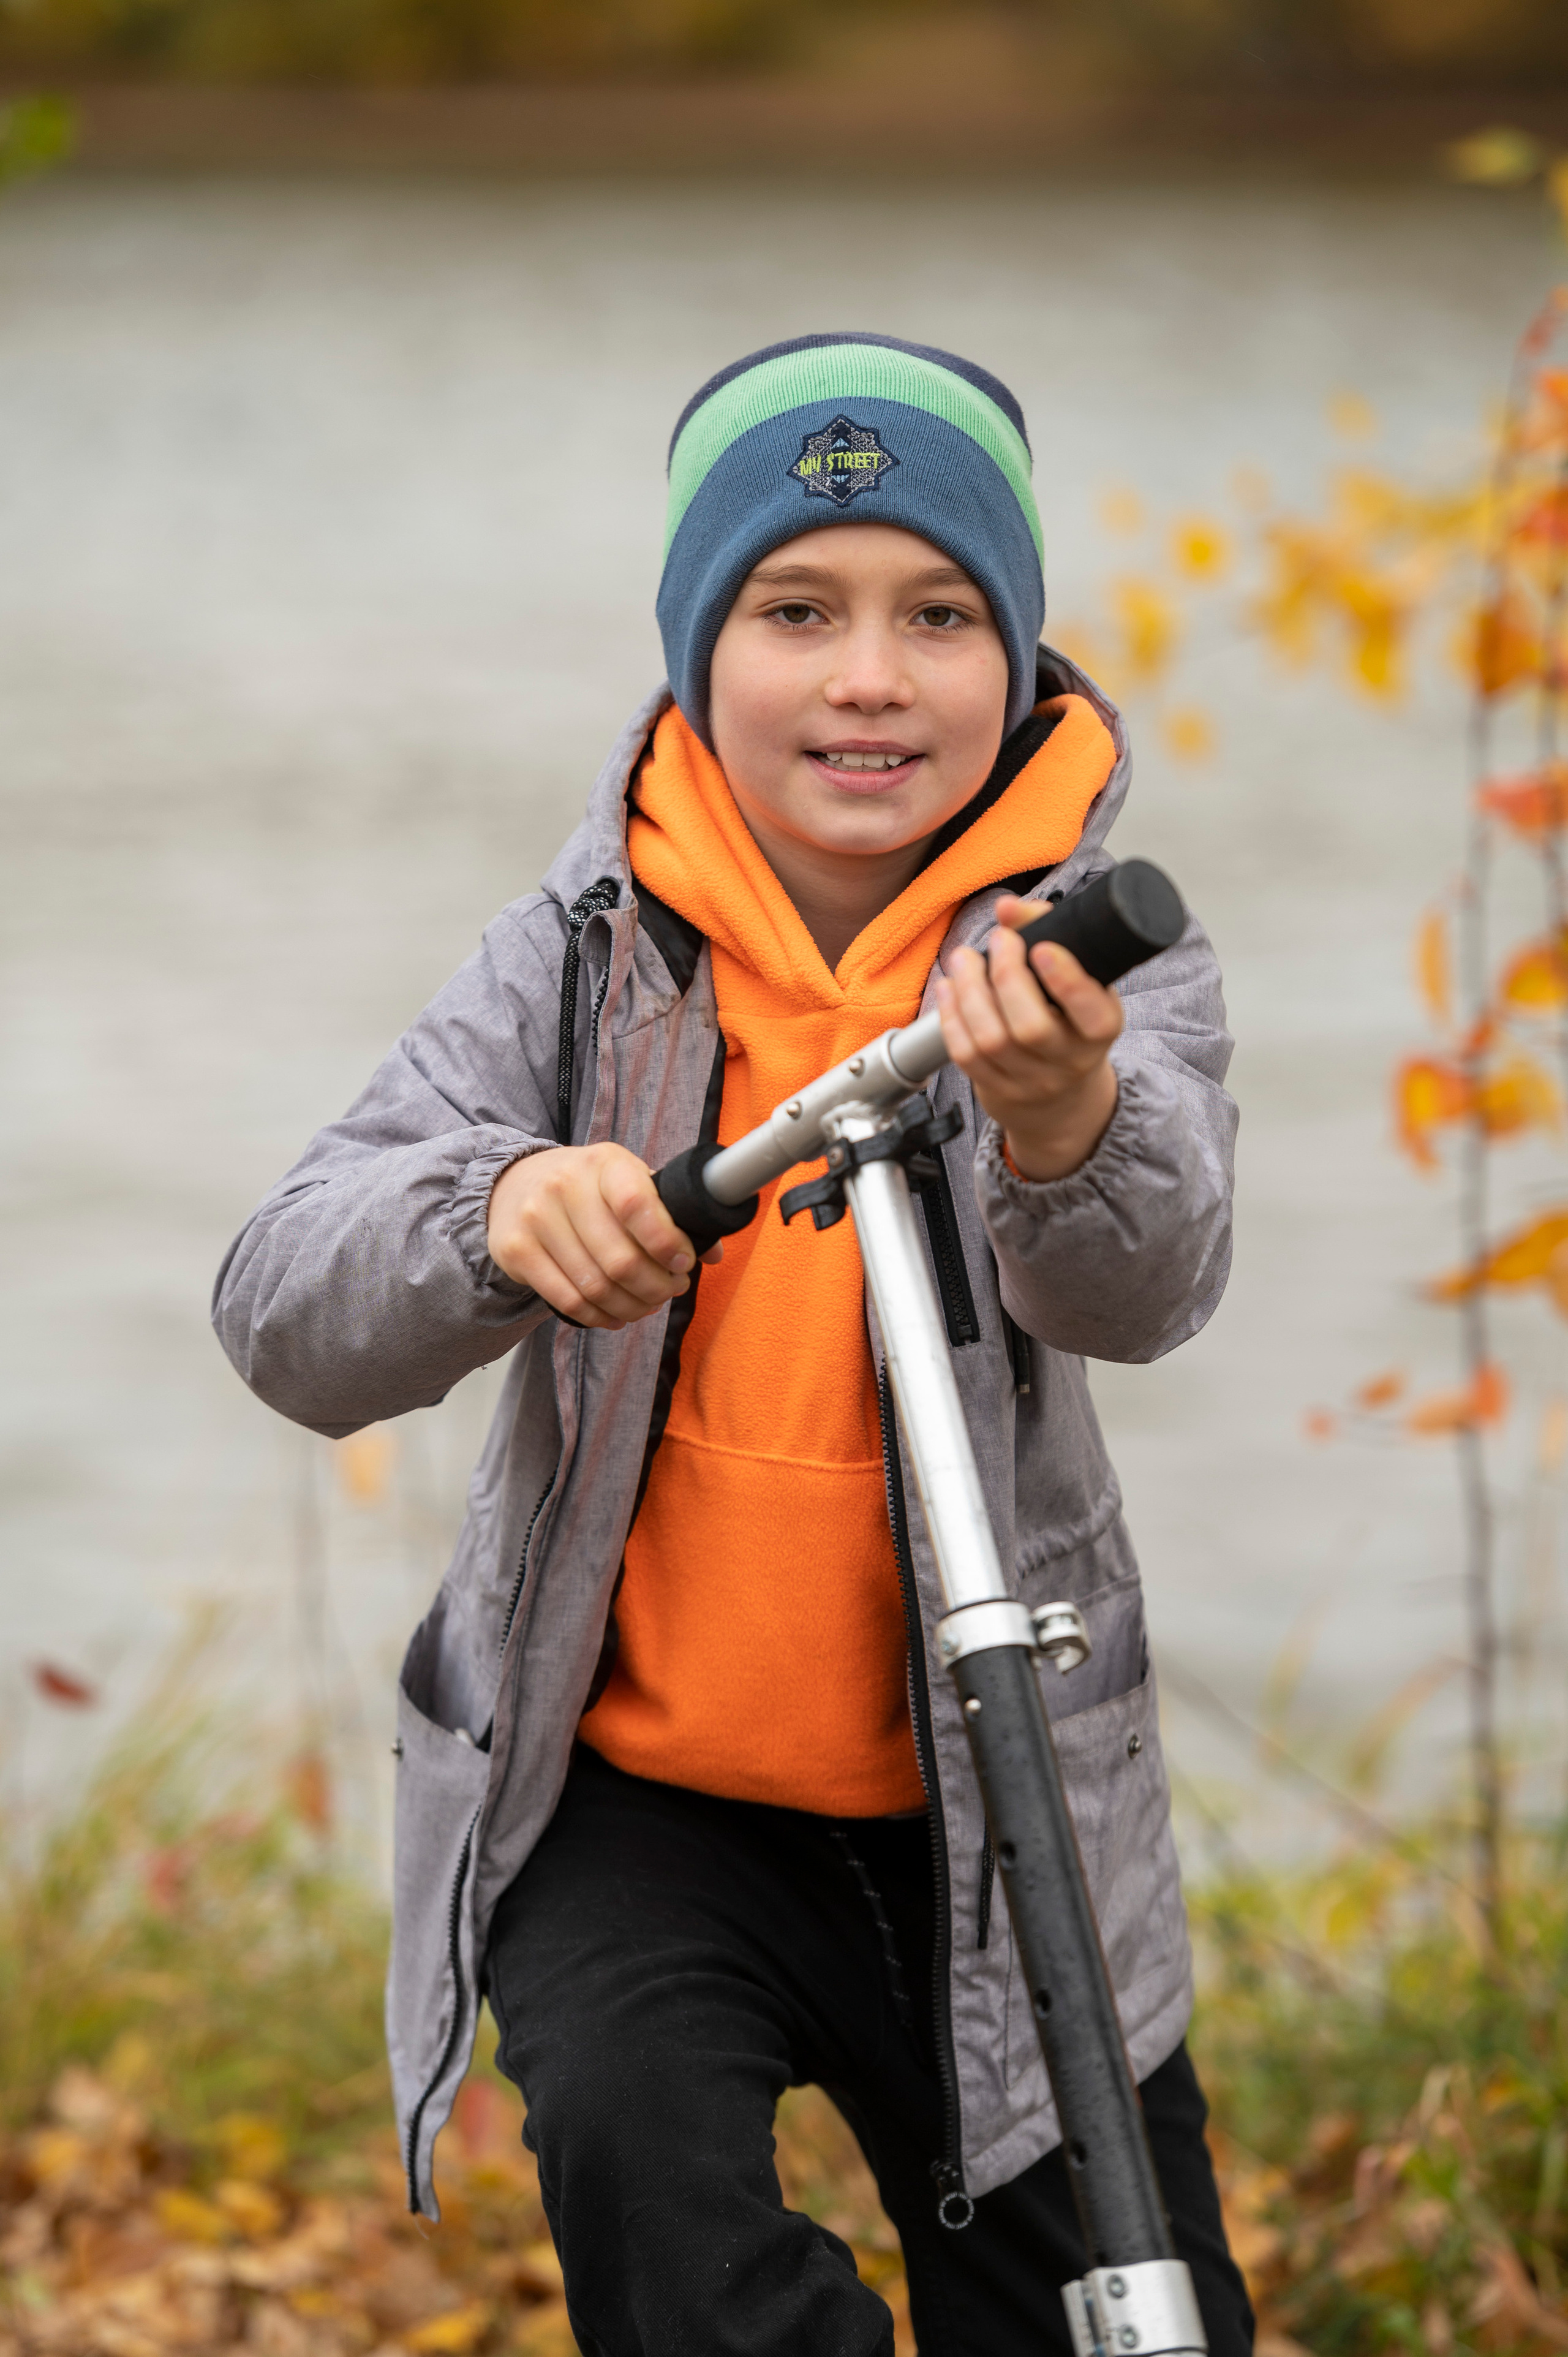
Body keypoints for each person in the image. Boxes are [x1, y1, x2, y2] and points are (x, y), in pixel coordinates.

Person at [214, 332, 1248, 2357]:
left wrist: (1065, 1122)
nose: (870, 676)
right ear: (700, 647)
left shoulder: (1086, 954)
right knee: (640, 2165)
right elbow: (285, 1306)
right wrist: (497, 1214)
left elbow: (1151, 1284)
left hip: (996, 1804)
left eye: (940, 615)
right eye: (798, 610)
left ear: (1017, 657)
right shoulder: (578, 950)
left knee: (1131, 2309)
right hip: (639, 1791)